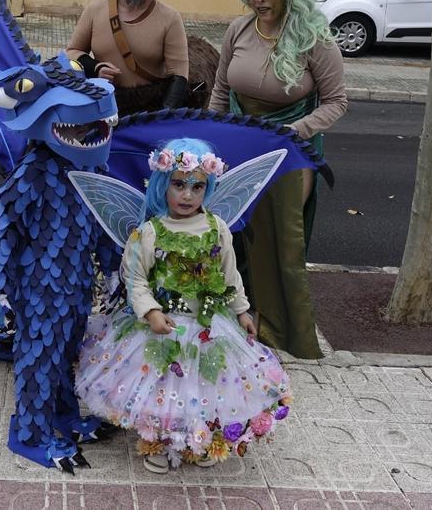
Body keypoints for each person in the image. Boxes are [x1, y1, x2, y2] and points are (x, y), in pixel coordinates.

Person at [76, 138, 292, 474]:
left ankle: (201, 439)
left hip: (209, 325)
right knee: (163, 388)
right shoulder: (150, 232)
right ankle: (162, 441)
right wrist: (150, 310)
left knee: (206, 385)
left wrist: (241, 310)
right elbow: (135, 279)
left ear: (209, 188)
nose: (187, 195)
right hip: (163, 327)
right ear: (162, 185)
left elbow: (229, 273)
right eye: (179, 185)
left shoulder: (217, 228)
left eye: (197, 187)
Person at [209, 0, 347, 360]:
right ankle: (237, 321)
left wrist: (297, 129)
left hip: (291, 150)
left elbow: (337, 101)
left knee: (279, 240)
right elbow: (220, 90)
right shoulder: (238, 30)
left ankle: (283, 331)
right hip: (240, 145)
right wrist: (209, 141)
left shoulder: (313, 37)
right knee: (234, 235)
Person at [66, 0, 194, 114]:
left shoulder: (170, 18)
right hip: (103, 106)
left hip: (147, 111)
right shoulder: (95, 9)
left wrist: (160, 119)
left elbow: (179, 76)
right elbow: (71, 52)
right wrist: (95, 68)